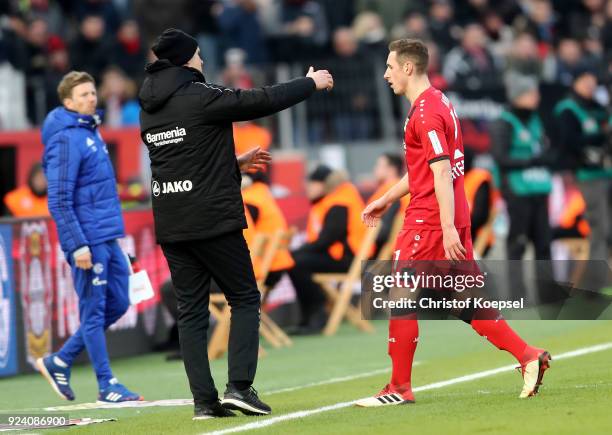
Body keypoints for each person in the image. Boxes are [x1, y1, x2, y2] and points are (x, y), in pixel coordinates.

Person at [138, 28, 333, 420]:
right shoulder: (202, 96)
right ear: (186, 60)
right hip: (212, 218)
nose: (203, 62)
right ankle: (240, 388)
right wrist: (309, 83)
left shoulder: (148, 108)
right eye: (198, 55)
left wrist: (232, 162)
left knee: (191, 312)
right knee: (244, 297)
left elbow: (183, 156)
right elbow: (261, 99)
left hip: (172, 223)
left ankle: (204, 403)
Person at [358, 39, 550, 407]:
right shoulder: (440, 102)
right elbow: (425, 170)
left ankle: (399, 387)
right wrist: (385, 198)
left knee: (400, 297)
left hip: (431, 221)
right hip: (449, 217)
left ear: (408, 68)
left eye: (390, 66)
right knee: (462, 300)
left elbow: (442, 171)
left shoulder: (426, 113)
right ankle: (528, 355)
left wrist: (444, 227)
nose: (386, 74)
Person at [37, 71, 141, 403]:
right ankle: (106, 384)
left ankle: (61, 359)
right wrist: (76, 243)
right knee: (94, 311)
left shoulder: (90, 133)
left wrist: (116, 243)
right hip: (87, 239)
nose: (90, 98)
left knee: (121, 302)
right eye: (82, 95)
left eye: (92, 92)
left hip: (106, 236)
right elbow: (59, 199)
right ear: (68, 103)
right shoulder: (66, 139)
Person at [490, 74, 554, 297]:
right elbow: (500, 158)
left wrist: (547, 157)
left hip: (539, 188)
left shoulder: (536, 119)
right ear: (518, 96)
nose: (536, 97)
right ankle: (518, 295)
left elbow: (546, 147)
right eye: (531, 93)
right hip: (516, 190)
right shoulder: (503, 123)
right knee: (517, 243)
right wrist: (532, 160)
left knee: (544, 243)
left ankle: (548, 294)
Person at [288, 165, 366, 334]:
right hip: (345, 257)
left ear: (323, 185)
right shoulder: (338, 199)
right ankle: (311, 315)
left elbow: (326, 240)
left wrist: (298, 251)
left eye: (311, 184)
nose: (307, 188)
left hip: (349, 260)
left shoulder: (339, 202)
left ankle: (317, 312)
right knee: (295, 260)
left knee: (295, 262)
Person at [553, 65, 611, 290]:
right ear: (575, 82)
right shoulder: (568, 108)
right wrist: (599, 137)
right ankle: (596, 283)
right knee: (599, 228)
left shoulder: (597, 107)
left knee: (607, 229)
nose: (590, 85)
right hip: (584, 176)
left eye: (592, 80)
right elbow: (568, 141)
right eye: (584, 80)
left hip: (605, 172)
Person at [367, 153, 409, 257]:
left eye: (379, 166)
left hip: (381, 248)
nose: (375, 169)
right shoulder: (393, 189)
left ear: (392, 169)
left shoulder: (391, 192)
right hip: (397, 246)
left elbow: (383, 229)